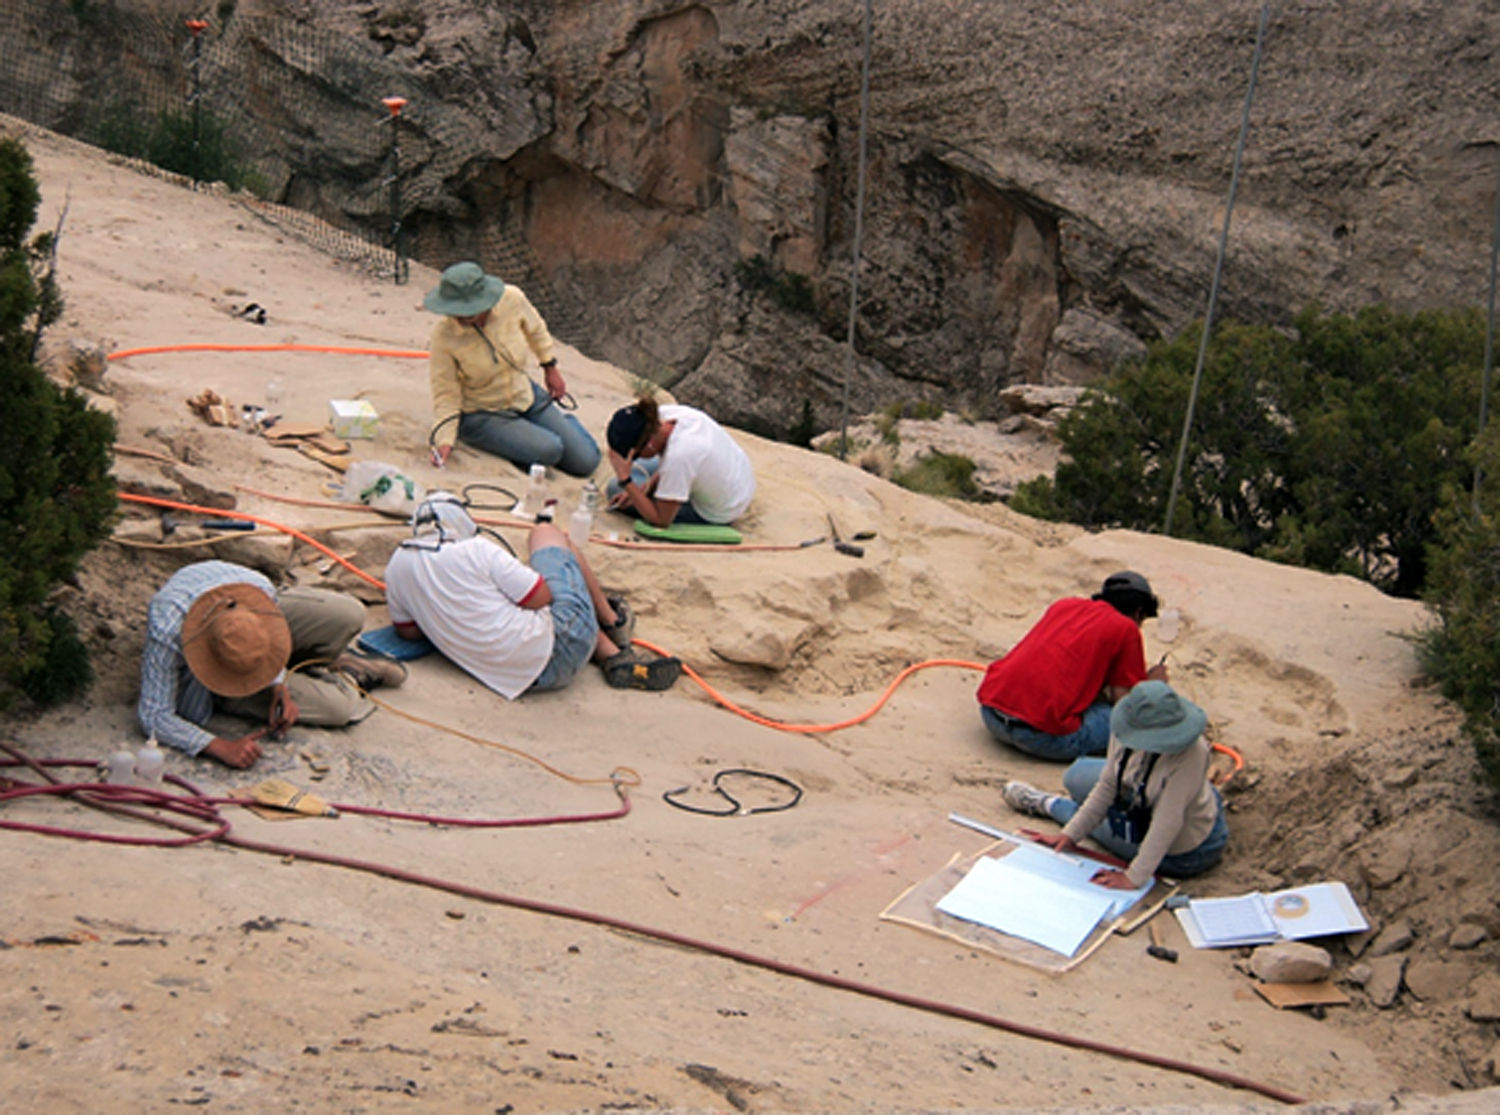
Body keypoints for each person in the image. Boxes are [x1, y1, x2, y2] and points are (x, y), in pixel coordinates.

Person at [384, 492, 682, 693]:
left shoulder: (396, 565)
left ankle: (614, 656)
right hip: (562, 645)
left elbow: (409, 633)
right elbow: (541, 597)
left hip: (523, 681)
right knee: (548, 535)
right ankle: (613, 621)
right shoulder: (475, 549)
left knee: (545, 615)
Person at [138, 561, 402, 769]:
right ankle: (349, 676)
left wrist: (279, 686)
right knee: (338, 708)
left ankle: (328, 659)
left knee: (348, 614)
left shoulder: (255, 588)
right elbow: (154, 716)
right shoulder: (168, 628)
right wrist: (218, 746)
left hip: (250, 616)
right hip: (201, 680)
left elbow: (260, 636)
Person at [1002, 680, 1229, 889]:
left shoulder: (1192, 753)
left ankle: (1051, 805)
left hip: (1184, 847)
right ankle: (1070, 816)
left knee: (1105, 830)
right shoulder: (1126, 726)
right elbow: (1108, 785)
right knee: (1076, 777)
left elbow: (1167, 822)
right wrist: (1070, 835)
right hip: (1147, 793)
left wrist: (1133, 877)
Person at [424, 261, 600, 477]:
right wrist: (444, 440)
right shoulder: (444, 336)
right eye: (454, 311)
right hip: (483, 414)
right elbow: (445, 393)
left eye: (467, 312)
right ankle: (519, 440)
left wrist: (550, 367)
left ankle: (562, 427)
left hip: (524, 395)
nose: (459, 318)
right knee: (550, 449)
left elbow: (537, 332)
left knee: (586, 462)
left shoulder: (512, 299)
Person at [977, 570, 1166, 761]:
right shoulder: (1126, 628)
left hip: (991, 714)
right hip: (1038, 737)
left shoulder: (1064, 606)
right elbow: (1124, 704)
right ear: (1139, 612)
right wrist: (1153, 685)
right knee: (1124, 721)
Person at [604, 396, 755, 526]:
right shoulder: (665, 415)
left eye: (635, 456)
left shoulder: (679, 456)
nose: (634, 460)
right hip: (737, 475)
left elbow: (661, 520)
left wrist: (625, 481)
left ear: (649, 444)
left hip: (725, 508)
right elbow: (668, 467)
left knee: (616, 489)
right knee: (636, 485)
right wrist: (643, 490)